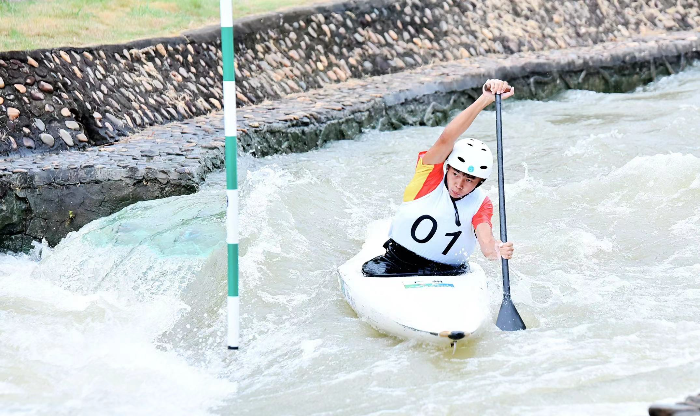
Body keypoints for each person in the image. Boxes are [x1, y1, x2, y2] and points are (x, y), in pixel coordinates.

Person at [362, 79, 515, 277]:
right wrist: (485, 99)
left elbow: (487, 245)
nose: (459, 184)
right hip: (398, 263)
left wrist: (498, 249)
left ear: (479, 183)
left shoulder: (481, 203)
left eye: (469, 180)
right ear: (447, 167)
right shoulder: (428, 177)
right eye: (456, 174)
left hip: (449, 272)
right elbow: (446, 138)